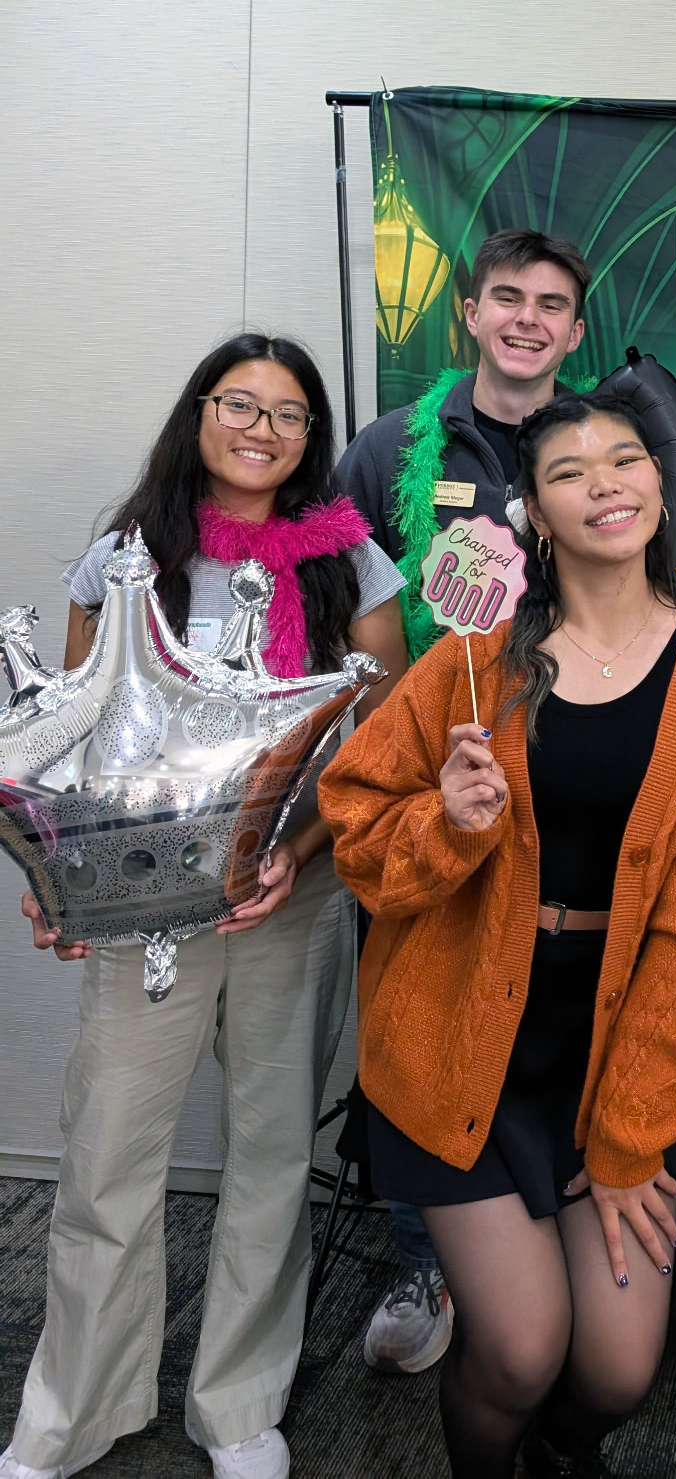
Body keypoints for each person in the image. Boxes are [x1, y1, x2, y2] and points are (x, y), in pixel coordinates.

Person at [319, 391, 676, 1479]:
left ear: (663, 492)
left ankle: (559, 1459)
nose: (605, 483)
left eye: (626, 461)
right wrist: (449, 824)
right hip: (458, 1031)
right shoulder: (476, 660)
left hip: (617, 1044)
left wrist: (627, 1141)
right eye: (570, 471)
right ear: (532, 511)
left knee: (615, 1372)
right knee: (519, 1355)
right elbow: (356, 830)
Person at [3, 333, 407, 1479]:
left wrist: (306, 846)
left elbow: (376, 739)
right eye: (241, 405)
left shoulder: (353, 564)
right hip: (146, 907)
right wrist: (61, 881)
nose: (262, 430)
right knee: (107, 1160)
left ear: (310, 440)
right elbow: (79, 739)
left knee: (274, 1154)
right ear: (200, 413)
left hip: (296, 893)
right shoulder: (127, 556)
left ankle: (238, 1409)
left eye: (288, 415)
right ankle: (70, 1413)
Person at [336, 226, 592, 1373]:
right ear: (470, 315)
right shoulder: (389, 446)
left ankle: (534, 1238)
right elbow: (349, 607)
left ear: (575, 330)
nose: (527, 318)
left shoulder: (599, 444)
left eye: (551, 304)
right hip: (416, 787)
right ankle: (423, 1262)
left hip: (561, 781)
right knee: (415, 1021)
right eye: (507, 298)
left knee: (534, 1015)